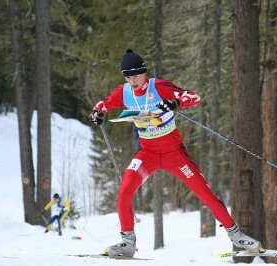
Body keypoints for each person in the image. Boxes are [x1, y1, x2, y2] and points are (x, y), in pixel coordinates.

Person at [88, 49, 262, 258]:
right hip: (147, 154)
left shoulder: (159, 86)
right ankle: (127, 242)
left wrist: (175, 103)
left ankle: (236, 235)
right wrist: (97, 113)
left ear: (144, 73)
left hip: (174, 154)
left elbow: (193, 97)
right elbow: (103, 104)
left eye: (136, 76)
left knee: (205, 194)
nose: (132, 81)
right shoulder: (124, 92)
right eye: (128, 76)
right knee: (125, 190)